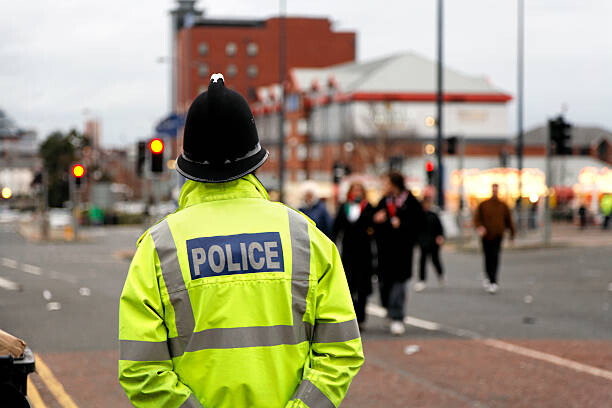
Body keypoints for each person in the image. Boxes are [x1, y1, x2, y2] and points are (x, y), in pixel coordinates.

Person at [118, 74, 363, 408]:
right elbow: (341, 350)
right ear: (257, 159)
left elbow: (142, 369)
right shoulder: (305, 237)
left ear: (187, 164)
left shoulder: (159, 247)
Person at [373, 172, 423, 335]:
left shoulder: (410, 202)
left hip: (402, 250)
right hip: (385, 250)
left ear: (395, 184)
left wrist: (403, 224)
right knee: (384, 284)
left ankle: (397, 317)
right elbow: (373, 223)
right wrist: (377, 219)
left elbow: (419, 223)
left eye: (387, 183)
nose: (385, 186)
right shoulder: (383, 201)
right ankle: (389, 310)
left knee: (398, 284)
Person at [332, 182, 374, 329]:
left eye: (359, 190)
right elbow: (336, 228)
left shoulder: (368, 207)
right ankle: (352, 317)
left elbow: (374, 227)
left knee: (362, 287)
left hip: (364, 253)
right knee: (349, 287)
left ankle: (361, 318)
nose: (357, 192)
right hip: (348, 252)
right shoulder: (344, 207)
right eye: (354, 190)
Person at [473, 183, 515, 294]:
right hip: (486, 236)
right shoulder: (484, 205)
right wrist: (480, 227)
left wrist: (512, 234)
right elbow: (477, 219)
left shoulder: (503, 205)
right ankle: (489, 276)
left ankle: (493, 280)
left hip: (498, 235)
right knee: (487, 257)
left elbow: (509, 221)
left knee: (495, 257)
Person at [414, 197, 445, 292]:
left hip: (434, 242)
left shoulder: (434, 215)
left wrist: (440, 236)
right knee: (422, 261)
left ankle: (440, 274)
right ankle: (422, 280)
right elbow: (416, 230)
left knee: (435, 260)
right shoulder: (419, 216)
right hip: (423, 242)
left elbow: (440, 227)